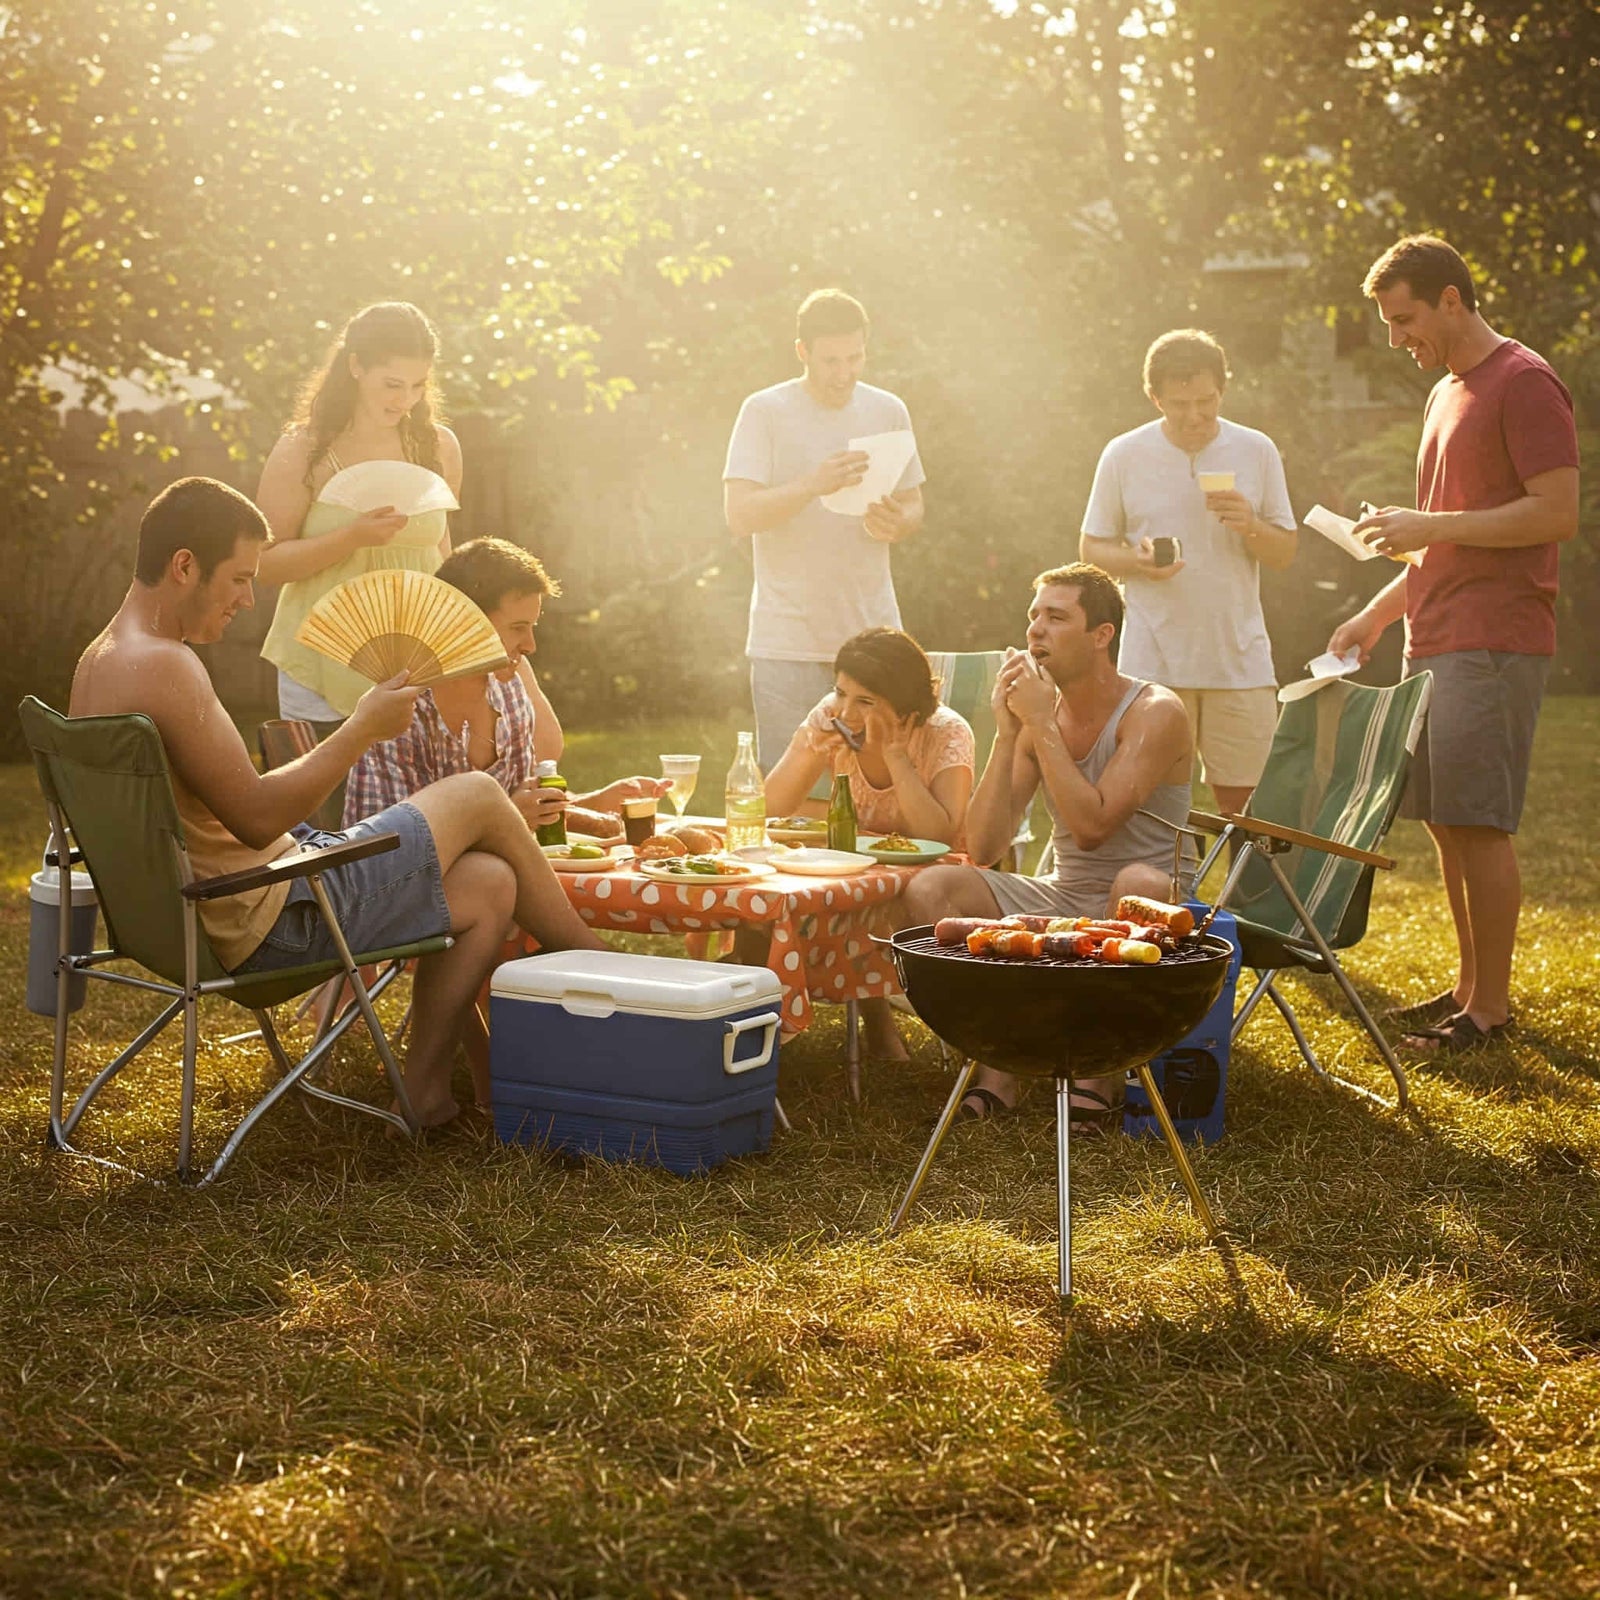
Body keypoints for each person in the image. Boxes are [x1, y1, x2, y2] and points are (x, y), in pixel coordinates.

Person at [69, 478, 606, 1131]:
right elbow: (259, 817)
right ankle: (601, 968)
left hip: (198, 918)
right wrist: (360, 728)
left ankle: (427, 1094)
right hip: (272, 919)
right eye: (240, 579)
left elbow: (238, 814)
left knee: (489, 884)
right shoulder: (166, 666)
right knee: (478, 794)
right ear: (185, 565)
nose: (248, 599)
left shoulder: (99, 660)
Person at [1327, 235, 1580, 1054]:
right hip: (1434, 637)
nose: (1400, 338)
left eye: (1405, 320)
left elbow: (1555, 513)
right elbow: (1444, 538)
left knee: (1479, 820)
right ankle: (1470, 988)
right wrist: (1373, 616)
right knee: (1443, 819)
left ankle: (1491, 1013)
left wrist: (1428, 524)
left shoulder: (1525, 381)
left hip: (1494, 639)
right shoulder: (1445, 393)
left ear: (1450, 298)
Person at [900, 564, 1194, 1125]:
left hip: (1149, 900)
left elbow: (1093, 826)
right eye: (1034, 616)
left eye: (1057, 617)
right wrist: (1011, 734)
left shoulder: (1156, 711)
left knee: (1135, 882)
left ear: (1102, 635)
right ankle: (1001, 1063)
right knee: (935, 885)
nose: (1036, 630)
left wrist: (1040, 725)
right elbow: (983, 845)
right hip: (1066, 897)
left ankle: (1097, 1074)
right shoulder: (1040, 723)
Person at [256, 303, 463, 824]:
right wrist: (351, 536)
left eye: (418, 385)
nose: (406, 399)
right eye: (393, 384)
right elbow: (265, 562)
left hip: (416, 665)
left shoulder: (438, 446)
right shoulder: (304, 449)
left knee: (418, 828)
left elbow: (441, 552)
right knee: (328, 830)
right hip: (321, 666)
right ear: (354, 367)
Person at [1080, 329, 1296, 817]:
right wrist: (1134, 562)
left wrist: (1250, 524)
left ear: (1223, 389)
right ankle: (1163, 895)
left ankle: (1244, 897)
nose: (1196, 415)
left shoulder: (1256, 450)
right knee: (1149, 809)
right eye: (1180, 404)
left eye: (1207, 401)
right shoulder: (1123, 454)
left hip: (1239, 660)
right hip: (1153, 664)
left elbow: (1284, 553)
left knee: (1250, 816)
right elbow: (1091, 546)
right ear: (1154, 397)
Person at [724, 289, 926, 783]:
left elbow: (915, 503)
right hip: (787, 641)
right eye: (831, 360)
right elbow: (739, 514)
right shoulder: (764, 411)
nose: (844, 372)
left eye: (854, 358)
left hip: (873, 633)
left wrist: (900, 522)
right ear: (803, 352)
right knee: (790, 799)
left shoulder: (888, 410)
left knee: (879, 785)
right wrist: (814, 484)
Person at [343, 538, 668, 836]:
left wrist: (595, 802)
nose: (530, 646)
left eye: (532, 626)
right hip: (405, 890)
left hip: (497, 874)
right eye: (517, 628)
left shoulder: (509, 693)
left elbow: (525, 808)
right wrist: (508, 816)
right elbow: (387, 851)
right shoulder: (399, 710)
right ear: (463, 623)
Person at [763, 627, 975, 1061]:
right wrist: (809, 749)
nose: (845, 710)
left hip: (934, 874)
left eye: (865, 701)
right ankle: (757, 1014)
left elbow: (940, 838)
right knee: (776, 894)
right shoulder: (833, 715)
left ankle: (873, 1023)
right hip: (855, 867)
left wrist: (895, 754)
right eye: (840, 692)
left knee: (858, 900)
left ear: (904, 707)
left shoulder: (946, 732)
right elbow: (771, 806)